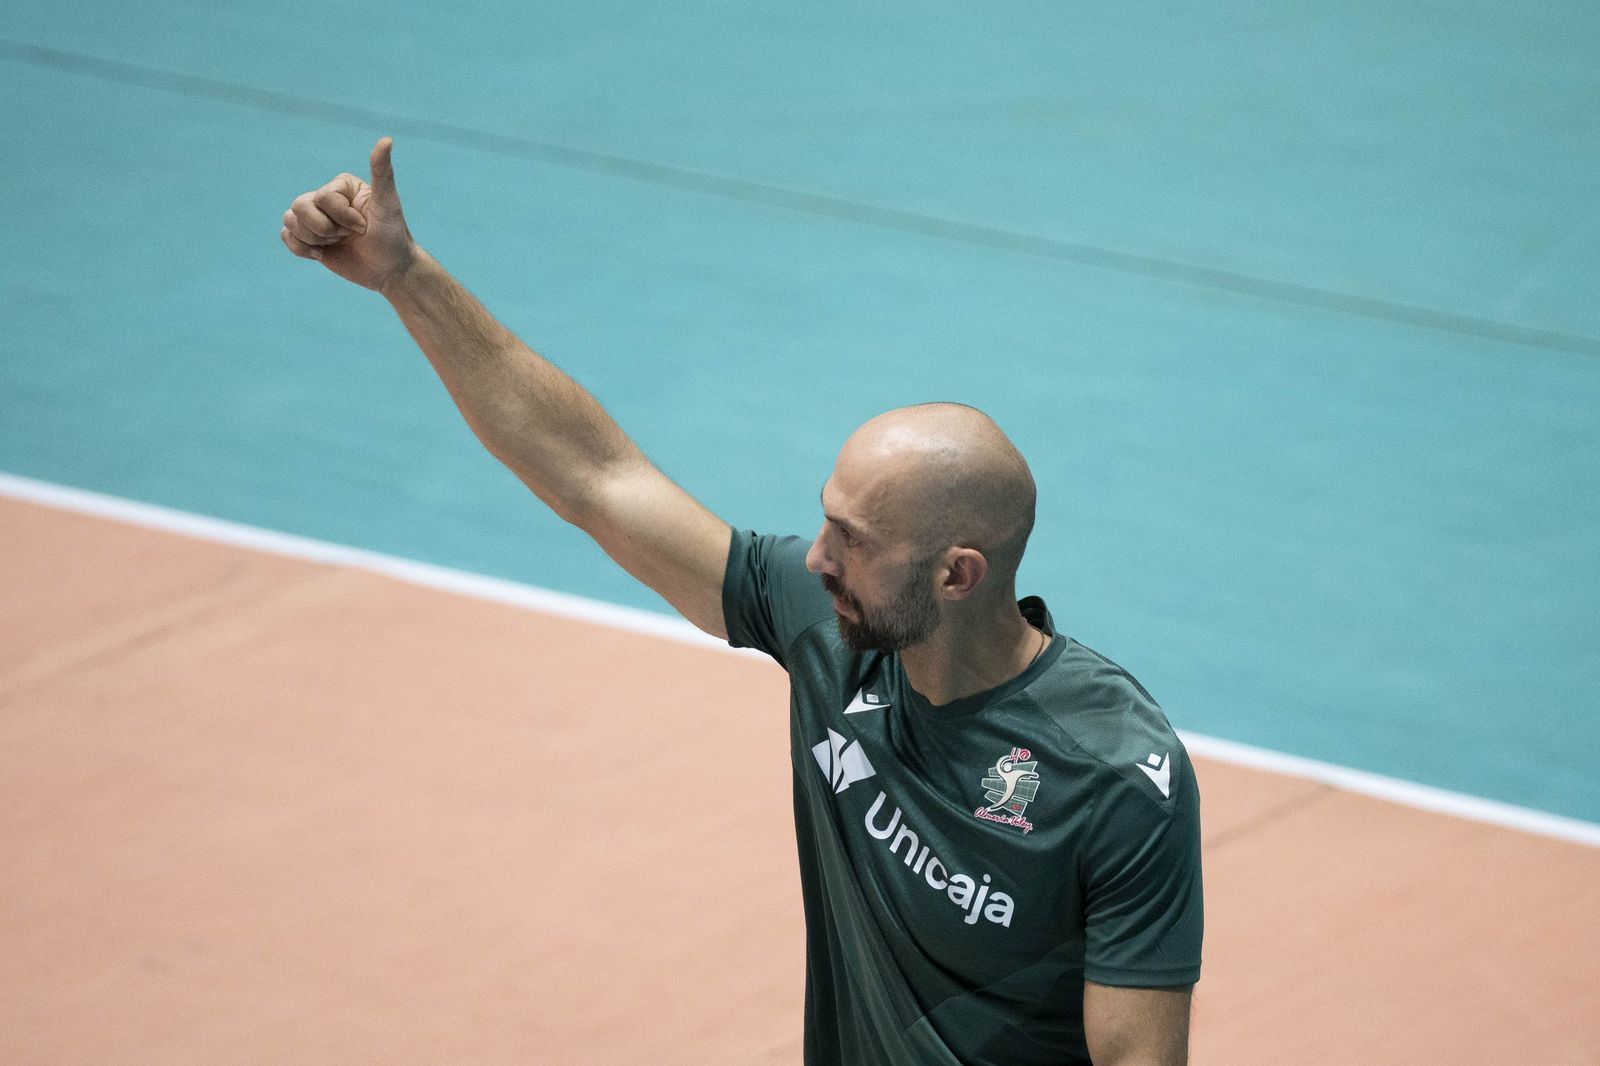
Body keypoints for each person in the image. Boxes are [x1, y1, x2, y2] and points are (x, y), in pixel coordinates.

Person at [281, 138, 1203, 1066]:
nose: (816, 557)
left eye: (855, 541)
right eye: (825, 522)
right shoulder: (829, 628)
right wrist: (406, 278)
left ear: (955, 575)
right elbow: (597, 477)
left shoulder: (1115, 775)